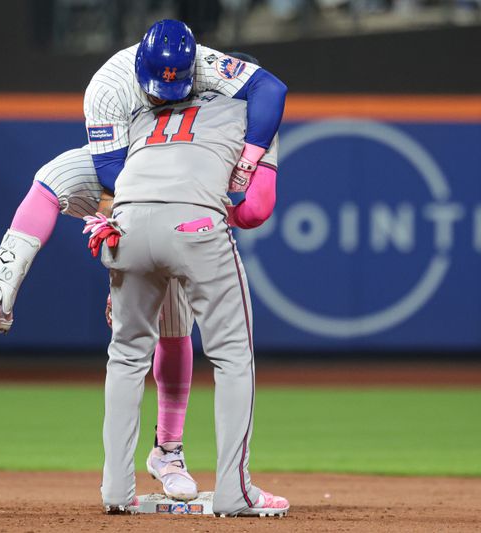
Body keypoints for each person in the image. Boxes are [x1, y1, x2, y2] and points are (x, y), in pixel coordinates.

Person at [0, 17, 285, 502]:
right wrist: (131, 224)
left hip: (160, 202)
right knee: (53, 178)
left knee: (164, 331)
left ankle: (163, 453)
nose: (170, 94)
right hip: (133, 189)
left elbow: (265, 93)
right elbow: (114, 173)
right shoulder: (110, 87)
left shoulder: (216, 76)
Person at [92, 37, 287, 515]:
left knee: (125, 359)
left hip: (126, 221)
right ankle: (234, 492)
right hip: (195, 226)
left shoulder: (144, 108)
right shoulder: (251, 116)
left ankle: (116, 492)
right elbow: (256, 209)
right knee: (232, 358)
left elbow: (111, 175)